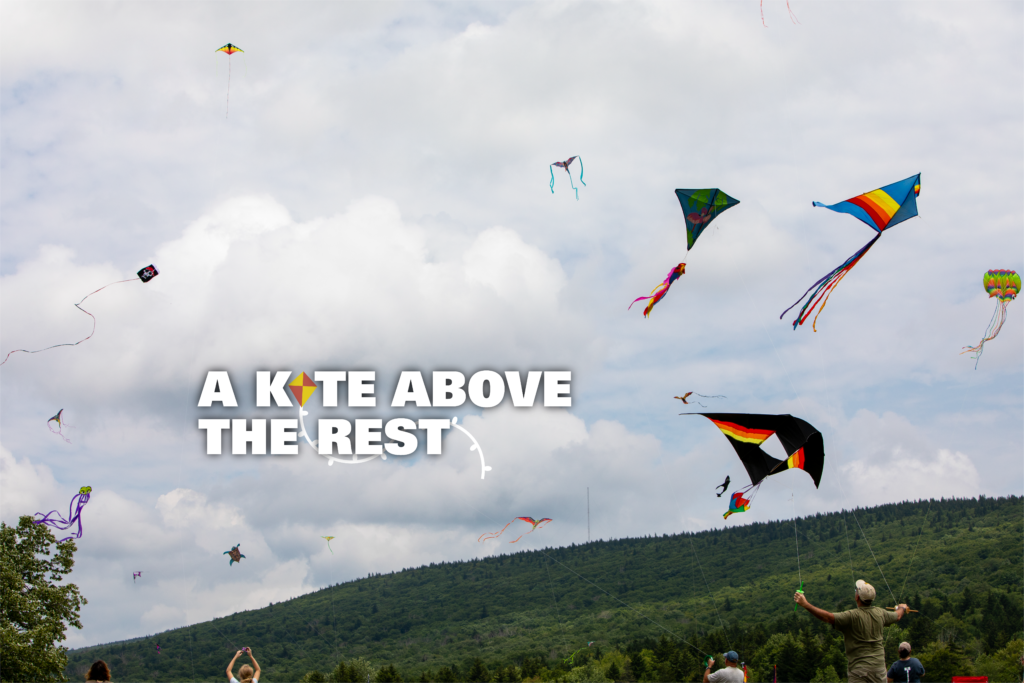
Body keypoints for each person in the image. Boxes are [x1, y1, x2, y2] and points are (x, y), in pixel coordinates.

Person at [795, 579, 908, 683]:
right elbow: (897, 616)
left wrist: (805, 604)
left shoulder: (852, 616)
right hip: (879, 671)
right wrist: (902, 608)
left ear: (857, 597)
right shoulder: (881, 613)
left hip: (859, 672)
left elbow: (828, 617)